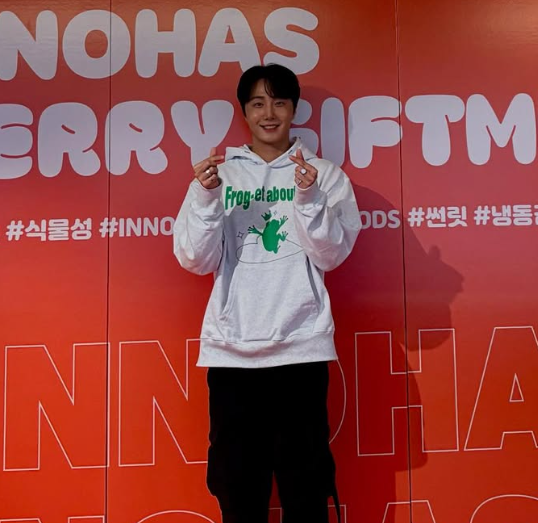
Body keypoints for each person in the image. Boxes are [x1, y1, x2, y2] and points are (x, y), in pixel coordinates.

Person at [173, 64, 360, 523]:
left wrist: (308, 197)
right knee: (237, 489)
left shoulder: (324, 175)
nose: (269, 113)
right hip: (232, 353)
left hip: (301, 349)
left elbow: (332, 255)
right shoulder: (218, 177)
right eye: (257, 103)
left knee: (306, 487)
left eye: (278, 102)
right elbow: (195, 259)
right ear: (244, 112)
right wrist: (206, 197)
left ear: (294, 109)